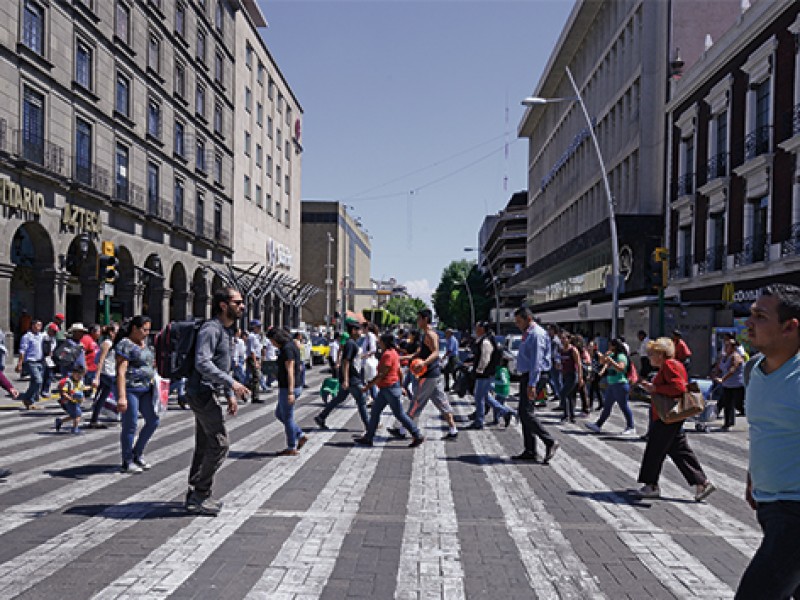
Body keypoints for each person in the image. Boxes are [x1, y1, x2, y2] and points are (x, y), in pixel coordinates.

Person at [735, 284, 800, 600]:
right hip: (769, 505)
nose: (749, 323)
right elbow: (763, 430)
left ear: (790, 326)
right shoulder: (753, 371)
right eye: (751, 315)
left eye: (760, 317)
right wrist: (752, 476)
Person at [185, 288, 249, 515]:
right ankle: (200, 494)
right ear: (223, 305)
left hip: (207, 392)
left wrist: (230, 395)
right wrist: (232, 384)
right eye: (238, 302)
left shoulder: (227, 331)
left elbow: (222, 365)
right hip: (200, 393)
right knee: (220, 444)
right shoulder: (211, 329)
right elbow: (203, 363)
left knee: (204, 444)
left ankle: (195, 492)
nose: (242, 306)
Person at [635, 337, 716, 501]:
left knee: (655, 450)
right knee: (679, 450)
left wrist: (655, 387)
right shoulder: (674, 364)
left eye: (652, 353)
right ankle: (702, 482)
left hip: (667, 416)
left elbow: (678, 387)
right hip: (670, 416)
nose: (649, 356)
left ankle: (651, 485)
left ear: (660, 354)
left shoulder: (669, 365)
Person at [392, 309, 459, 440]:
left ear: (425, 319)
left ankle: (402, 430)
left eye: (419, 319)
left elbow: (435, 353)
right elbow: (419, 354)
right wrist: (402, 358)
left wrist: (423, 364)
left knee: (416, 401)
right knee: (442, 403)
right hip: (434, 375)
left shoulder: (431, 335)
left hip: (429, 375)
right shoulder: (424, 335)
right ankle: (453, 430)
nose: (417, 322)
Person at [353, 333, 425, 447]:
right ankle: (369, 437)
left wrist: (368, 386)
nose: (378, 344)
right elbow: (399, 371)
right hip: (388, 389)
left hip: (389, 388)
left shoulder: (387, 355)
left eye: (380, 342)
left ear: (385, 342)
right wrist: (401, 386)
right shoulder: (394, 353)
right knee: (375, 412)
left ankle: (417, 434)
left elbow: (382, 374)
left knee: (399, 414)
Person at [511, 307, 559, 463]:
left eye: (519, 321)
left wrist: (532, 383)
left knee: (525, 412)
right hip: (528, 376)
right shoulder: (528, 333)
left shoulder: (536, 334)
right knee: (525, 412)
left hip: (535, 376)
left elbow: (536, 362)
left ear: (528, 319)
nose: (517, 324)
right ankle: (530, 449)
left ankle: (549, 441)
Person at [115, 316, 159, 474]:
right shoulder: (125, 344)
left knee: (153, 420)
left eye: (148, 330)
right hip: (130, 388)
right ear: (134, 328)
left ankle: (137, 452)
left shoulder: (145, 344)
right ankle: (127, 460)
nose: (147, 333)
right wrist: (121, 396)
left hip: (147, 388)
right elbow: (121, 371)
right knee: (130, 424)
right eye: (144, 329)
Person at [314, 321, 369, 431]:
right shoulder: (350, 344)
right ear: (353, 331)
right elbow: (346, 362)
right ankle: (369, 426)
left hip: (350, 377)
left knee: (339, 398)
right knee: (361, 400)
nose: (361, 332)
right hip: (352, 378)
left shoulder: (351, 343)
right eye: (359, 330)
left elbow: (352, 359)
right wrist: (346, 380)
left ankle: (321, 416)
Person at [465, 321, 516, 430]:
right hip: (485, 374)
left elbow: (485, 357)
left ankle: (479, 421)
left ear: (482, 329)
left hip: (484, 374)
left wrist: (479, 369)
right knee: (484, 396)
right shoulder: (483, 340)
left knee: (479, 397)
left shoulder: (486, 341)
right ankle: (505, 412)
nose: (475, 329)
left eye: (477, 327)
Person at [268, 328, 309, 456]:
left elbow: (290, 370)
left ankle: (291, 446)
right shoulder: (291, 345)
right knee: (280, 414)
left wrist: (291, 392)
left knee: (287, 417)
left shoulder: (287, 349)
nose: (272, 344)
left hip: (289, 387)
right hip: (290, 386)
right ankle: (299, 434)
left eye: (272, 341)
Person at [585, 338, 637, 436]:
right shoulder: (612, 355)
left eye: (610, 345)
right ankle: (598, 425)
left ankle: (631, 426)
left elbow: (621, 368)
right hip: (612, 385)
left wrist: (611, 361)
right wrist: (605, 355)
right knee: (607, 406)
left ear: (615, 346)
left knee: (624, 406)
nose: (609, 347)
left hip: (620, 384)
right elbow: (602, 362)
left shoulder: (621, 356)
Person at [87, 323, 119, 429]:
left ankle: (94, 419)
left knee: (102, 397)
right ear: (111, 332)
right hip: (106, 373)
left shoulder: (115, 343)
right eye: (116, 331)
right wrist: (97, 377)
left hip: (112, 372)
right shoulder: (107, 343)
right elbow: (101, 361)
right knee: (115, 393)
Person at [714, 334, 745, 431]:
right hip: (727, 384)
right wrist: (715, 375)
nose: (726, 347)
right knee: (727, 404)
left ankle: (733, 419)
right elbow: (719, 368)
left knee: (737, 404)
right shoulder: (723, 357)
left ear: (733, 348)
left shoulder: (735, 357)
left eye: (728, 346)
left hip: (737, 384)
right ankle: (728, 423)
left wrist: (722, 379)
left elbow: (732, 370)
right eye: (725, 345)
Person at [16, 319, 45, 409]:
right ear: (32, 326)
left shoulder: (41, 336)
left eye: (40, 325)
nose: (39, 327)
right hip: (30, 361)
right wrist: (20, 363)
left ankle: (30, 401)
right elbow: (22, 351)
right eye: (37, 325)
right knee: (38, 380)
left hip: (40, 361)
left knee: (36, 382)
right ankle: (27, 398)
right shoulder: (27, 336)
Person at [558, 332, 583, 424]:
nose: (562, 340)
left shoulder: (573, 350)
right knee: (570, 396)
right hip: (564, 374)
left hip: (572, 375)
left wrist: (580, 377)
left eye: (564, 338)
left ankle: (566, 415)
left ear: (569, 339)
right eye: (561, 338)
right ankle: (572, 416)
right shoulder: (561, 350)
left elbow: (579, 364)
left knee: (563, 393)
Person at [55, 365, 87, 435]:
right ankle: (75, 428)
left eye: (81, 376)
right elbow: (63, 392)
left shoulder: (80, 381)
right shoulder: (69, 381)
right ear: (73, 373)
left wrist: (88, 389)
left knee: (73, 415)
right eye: (78, 375)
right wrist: (70, 398)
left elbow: (82, 388)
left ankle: (60, 421)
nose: (79, 377)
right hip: (70, 402)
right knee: (77, 415)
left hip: (77, 401)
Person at [246, 319, 263, 403]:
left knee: (255, 377)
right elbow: (252, 350)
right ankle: (255, 397)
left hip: (257, 358)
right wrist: (255, 362)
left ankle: (253, 394)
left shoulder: (257, 336)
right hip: (253, 359)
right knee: (257, 377)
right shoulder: (251, 336)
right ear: (254, 327)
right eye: (258, 327)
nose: (260, 328)